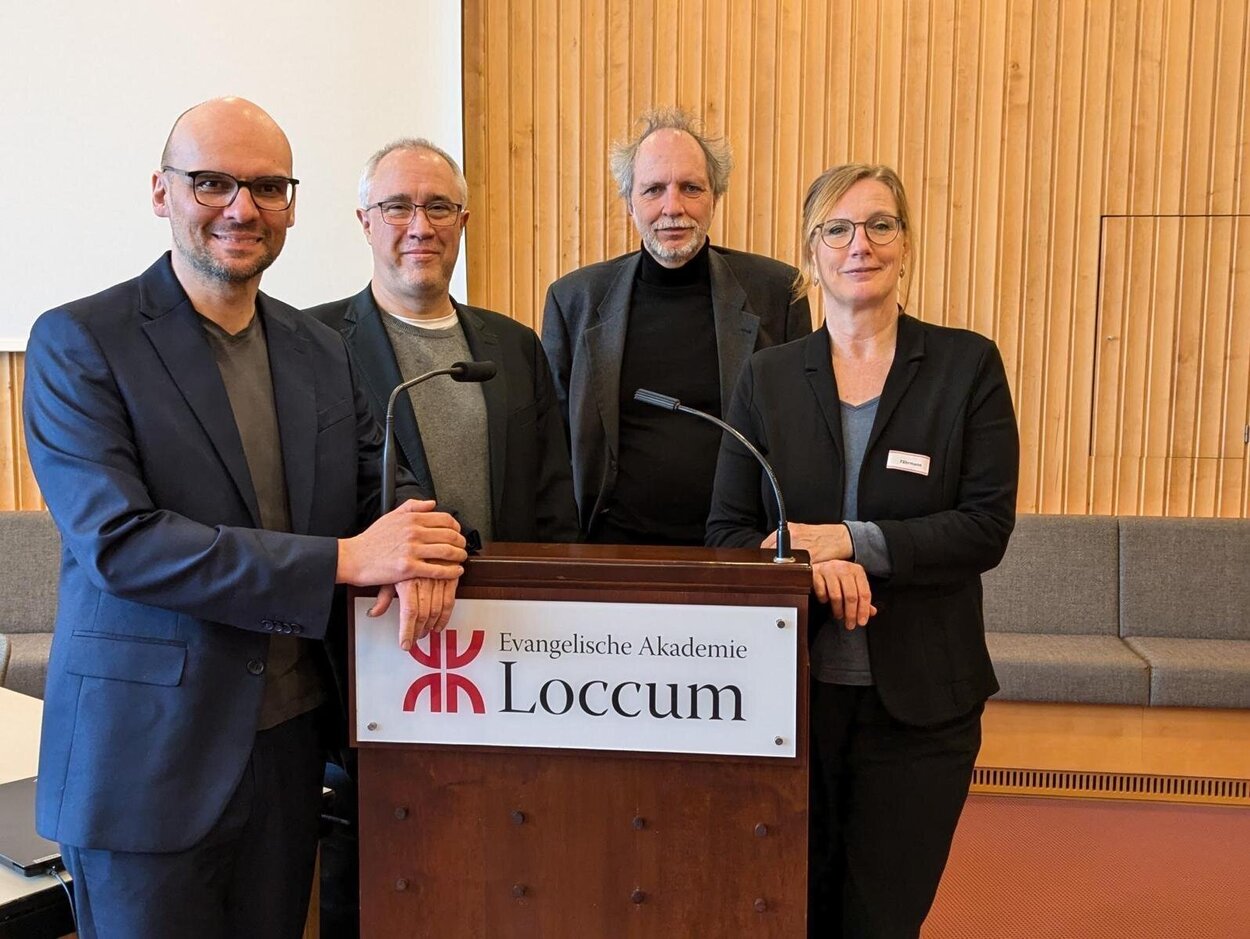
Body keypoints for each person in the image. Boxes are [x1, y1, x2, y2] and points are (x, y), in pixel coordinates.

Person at [22, 97, 468, 939]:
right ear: (162, 192)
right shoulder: (80, 341)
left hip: (291, 750)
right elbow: (122, 544)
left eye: (268, 186)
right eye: (213, 183)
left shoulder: (320, 348)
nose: (242, 208)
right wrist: (345, 559)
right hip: (143, 764)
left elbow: (393, 491)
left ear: (292, 205)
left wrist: (430, 546)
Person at [706, 163, 1019, 937]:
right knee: (790, 910)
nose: (860, 245)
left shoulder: (965, 366)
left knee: (882, 918)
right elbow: (724, 535)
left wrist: (850, 539)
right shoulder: (768, 377)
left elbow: (986, 525)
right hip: (789, 702)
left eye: (880, 225)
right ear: (811, 252)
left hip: (921, 705)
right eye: (837, 229)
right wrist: (811, 567)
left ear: (906, 244)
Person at [542, 107, 812, 544]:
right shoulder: (574, 300)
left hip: (740, 549)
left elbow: (804, 433)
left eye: (691, 188)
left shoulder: (776, 294)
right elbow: (551, 445)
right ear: (630, 203)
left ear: (714, 198)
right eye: (654, 190)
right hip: (612, 551)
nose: (674, 207)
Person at [308, 138, 577, 545]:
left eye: (438, 208)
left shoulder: (516, 345)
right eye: (397, 208)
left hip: (505, 600)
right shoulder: (316, 342)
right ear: (365, 223)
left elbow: (553, 501)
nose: (421, 228)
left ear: (462, 222)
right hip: (376, 603)